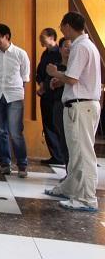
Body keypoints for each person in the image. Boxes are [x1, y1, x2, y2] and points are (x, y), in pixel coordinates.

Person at [45, 12, 101, 212]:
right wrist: (61, 79)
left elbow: (72, 78)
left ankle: (87, 198)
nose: (61, 30)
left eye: (62, 26)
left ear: (67, 26)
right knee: (76, 151)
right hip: (82, 105)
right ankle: (70, 188)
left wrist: (55, 73)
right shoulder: (87, 45)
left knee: (83, 154)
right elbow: (77, 78)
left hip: (80, 106)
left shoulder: (80, 47)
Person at [0, 24, 30, 178]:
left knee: (15, 132)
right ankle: (5, 164)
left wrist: (18, 93)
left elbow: (25, 78)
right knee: (0, 132)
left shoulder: (20, 53)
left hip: (14, 97)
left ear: (7, 36)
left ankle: (22, 165)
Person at [36, 28, 66, 166]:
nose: (40, 40)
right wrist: (41, 83)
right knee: (47, 124)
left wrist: (46, 85)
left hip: (55, 94)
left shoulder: (59, 53)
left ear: (52, 37)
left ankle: (61, 155)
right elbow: (40, 72)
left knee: (55, 124)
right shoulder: (45, 53)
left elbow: (58, 72)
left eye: (43, 37)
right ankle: (55, 155)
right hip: (46, 94)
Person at [48, 37, 71, 167]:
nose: (69, 49)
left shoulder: (75, 67)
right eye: (66, 46)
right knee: (62, 137)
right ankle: (68, 168)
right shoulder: (55, 66)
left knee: (72, 140)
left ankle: (73, 171)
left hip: (73, 105)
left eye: (71, 46)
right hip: (58, 104)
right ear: (60, 49)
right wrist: (53, 81)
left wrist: (61, 80)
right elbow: (50, 85)